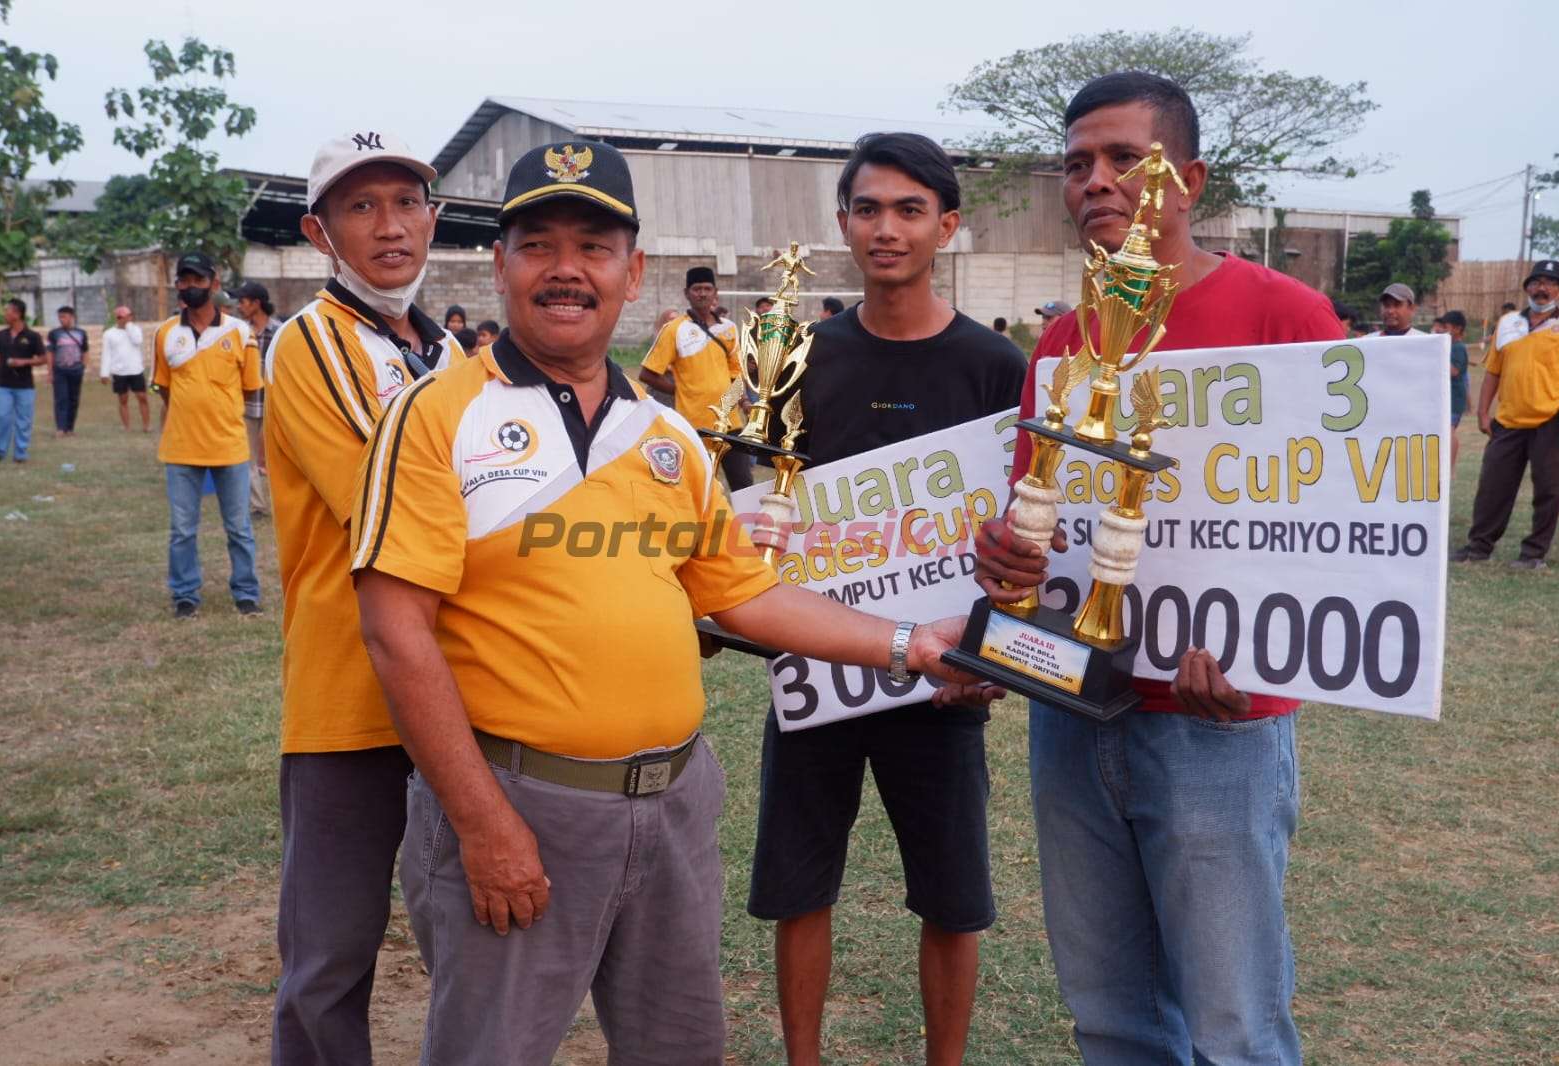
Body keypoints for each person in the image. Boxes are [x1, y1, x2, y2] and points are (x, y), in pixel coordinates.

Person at [349, 138, 985, 1066]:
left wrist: (909, 643)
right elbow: (395, 632)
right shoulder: (439, 413)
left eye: (595, 247)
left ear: (631, 271)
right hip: (524, 806)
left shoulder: (669, 437)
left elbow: (743, 595)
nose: (567, 270)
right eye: (538, 245)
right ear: (499, 264)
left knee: (680, 1050)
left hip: (675, 806)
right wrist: (485, 825)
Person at [974, 71, 1343, 1066]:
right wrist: (1004, 561)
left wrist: (1264, 664)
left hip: (1217, 725)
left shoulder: (1288, 315)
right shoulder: (1062, 339)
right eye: (1076, 164)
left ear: (1187, 177)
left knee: (1235, 1027)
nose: (1094, 181)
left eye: (1122, 159)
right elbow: (1033, 541)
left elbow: (1348, 531)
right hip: (1072, 713)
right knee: (1112, 1019)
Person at [748, 131, 1024, 1066]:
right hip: (818, 666)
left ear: (947, 225)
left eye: (910, 209)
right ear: (842, 223)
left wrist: (990, 655)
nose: (886, 228)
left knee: (953, 897)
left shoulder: (994, 367)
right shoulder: (800, 357)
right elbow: (768, 511)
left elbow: (1019, 532)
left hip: (943, 674)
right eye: (867, 208)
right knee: (798, 886)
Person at [264, 130, 463, 1066]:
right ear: (320, 231)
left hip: (458, 688)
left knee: (467, 935)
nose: (390, 226)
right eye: (360, 206)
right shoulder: (312, 341)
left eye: (407, 202)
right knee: (331, 954)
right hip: (350, 693)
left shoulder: (453, 351)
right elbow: (389, 502)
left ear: (434, 216)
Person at [152, 252, 263, 619]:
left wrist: (218, 409)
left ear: (214, 284)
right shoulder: (166, 333)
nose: (190, 287)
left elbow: (250, 389)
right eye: (184, 280)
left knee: (240, 528)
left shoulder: (240, 332)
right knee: (182, 530)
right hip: (180, 448)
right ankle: (185, 595)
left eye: (198, 280)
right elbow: (163, 388)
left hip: (229, 446)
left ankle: (246, 593)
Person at [1450, 259, 1559, 570]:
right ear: (1527, 287)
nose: (1543, 288)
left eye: (1551, 283)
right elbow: (1493, 372)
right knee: (1492, 486)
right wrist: (1483, 412)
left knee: (1548, 489)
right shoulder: (1508, 323)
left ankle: (1533, 554)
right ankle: (1478, 547)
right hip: (1509, 420)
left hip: (1552, 419)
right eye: (1537, 282)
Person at [637, 265, 754, 491]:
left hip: (731, 423)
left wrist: (745, 402)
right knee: (700, 488)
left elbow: (736, 374)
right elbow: (647, 373)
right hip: (694, 425)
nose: (702, 293)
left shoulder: (729, 329)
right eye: (696, 289)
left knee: (744, 485)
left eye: (707, 288)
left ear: (715, 292)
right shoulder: (674, 329)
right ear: (686, 293)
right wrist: (680, 390)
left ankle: (744, 527)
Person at [230, 282, 279, 517]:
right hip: (248, 404)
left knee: (279, 461)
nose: (239, 306)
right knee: (248, 459)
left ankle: (285, 506)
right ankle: (258, 506)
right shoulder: (239, 332)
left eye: (243, 301)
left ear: (256, 303)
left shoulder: (281, 332)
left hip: (275, 407)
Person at [0, 297, 46, 464]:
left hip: (25, 386)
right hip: (3, 385)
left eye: (8, 310)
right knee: (2, 417)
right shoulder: (1, 335)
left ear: (17, 314)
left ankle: (20, 453)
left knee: (23, 420)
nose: (5, 313)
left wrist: (23, 362)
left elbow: (43, 359)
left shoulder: (32, 336)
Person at [100, 305, 151, 431]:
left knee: (142, 397)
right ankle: (126, 426)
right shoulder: (109, 334)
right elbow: (106, 354)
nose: (126, 319)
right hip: (119, 371)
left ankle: (146, 426)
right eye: (122, 317)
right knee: (123, 399)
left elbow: (137, 341)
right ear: (117, 318)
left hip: (136, 370)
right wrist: (104, 373)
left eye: (128, 316)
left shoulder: (136, 329)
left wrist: (128, 327)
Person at [1433, 310, 1469, 467]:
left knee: (1449, 431)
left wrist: (1438, 356)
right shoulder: (1450, 346)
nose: (1441, 330)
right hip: (1447, 397)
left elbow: (1454, 371)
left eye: (1445, 326)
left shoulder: (1458, 348)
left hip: (1455, 398)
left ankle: (1451, 467)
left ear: (1457, 329)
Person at [47, 306, 89, 436]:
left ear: (71, 317)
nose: (61, 320)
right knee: (61, 399)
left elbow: (85, 351)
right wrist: (50, 371)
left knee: (73, 399)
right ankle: (60, 428)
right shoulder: (54, 333)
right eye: (60, 317)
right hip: (60, 370)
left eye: (64, 316)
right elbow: (50, 352)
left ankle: (70, 428)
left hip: (76, 370)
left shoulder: (81, 333)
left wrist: (83, 366)